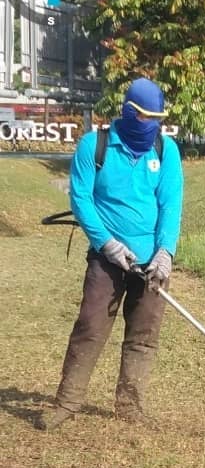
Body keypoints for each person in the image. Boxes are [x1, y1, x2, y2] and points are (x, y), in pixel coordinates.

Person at [38, 77, 183, 430]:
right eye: (148, 117)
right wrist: (107, 243)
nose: (153, 124)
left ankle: (129, 406)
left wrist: (165, 252)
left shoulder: (165, 150)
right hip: (107, 260)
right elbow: (81, 200)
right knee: (90, 327)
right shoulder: (95, 147)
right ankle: (67, 403)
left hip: (151, 263)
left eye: (158, 118)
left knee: (143, 334)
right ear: (130, 112)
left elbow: (171, 204)